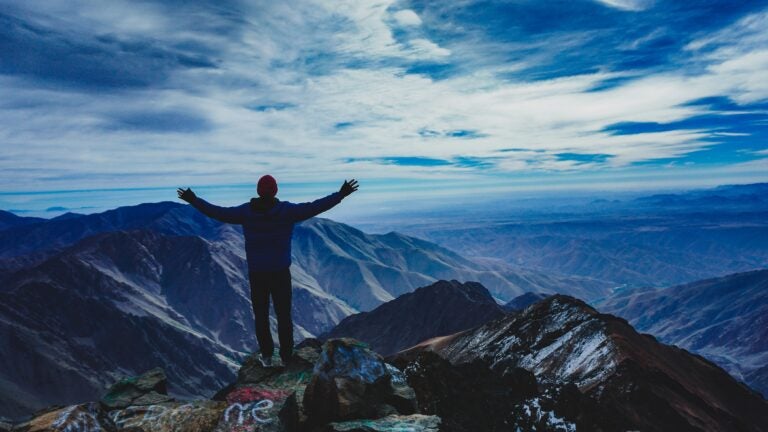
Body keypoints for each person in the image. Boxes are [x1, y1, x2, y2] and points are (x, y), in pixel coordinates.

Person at [177, 176, 359, 366]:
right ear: (275, 191)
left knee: (261, 316)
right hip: (280, 273)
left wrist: (193, 200)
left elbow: (218, 213)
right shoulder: (287, 211)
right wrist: (341, 194)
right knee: (284, 316)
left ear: (258, 191)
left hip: (258, 275)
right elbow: (316, 206)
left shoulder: (246, 212)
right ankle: (287, 356)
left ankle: (266, 355)